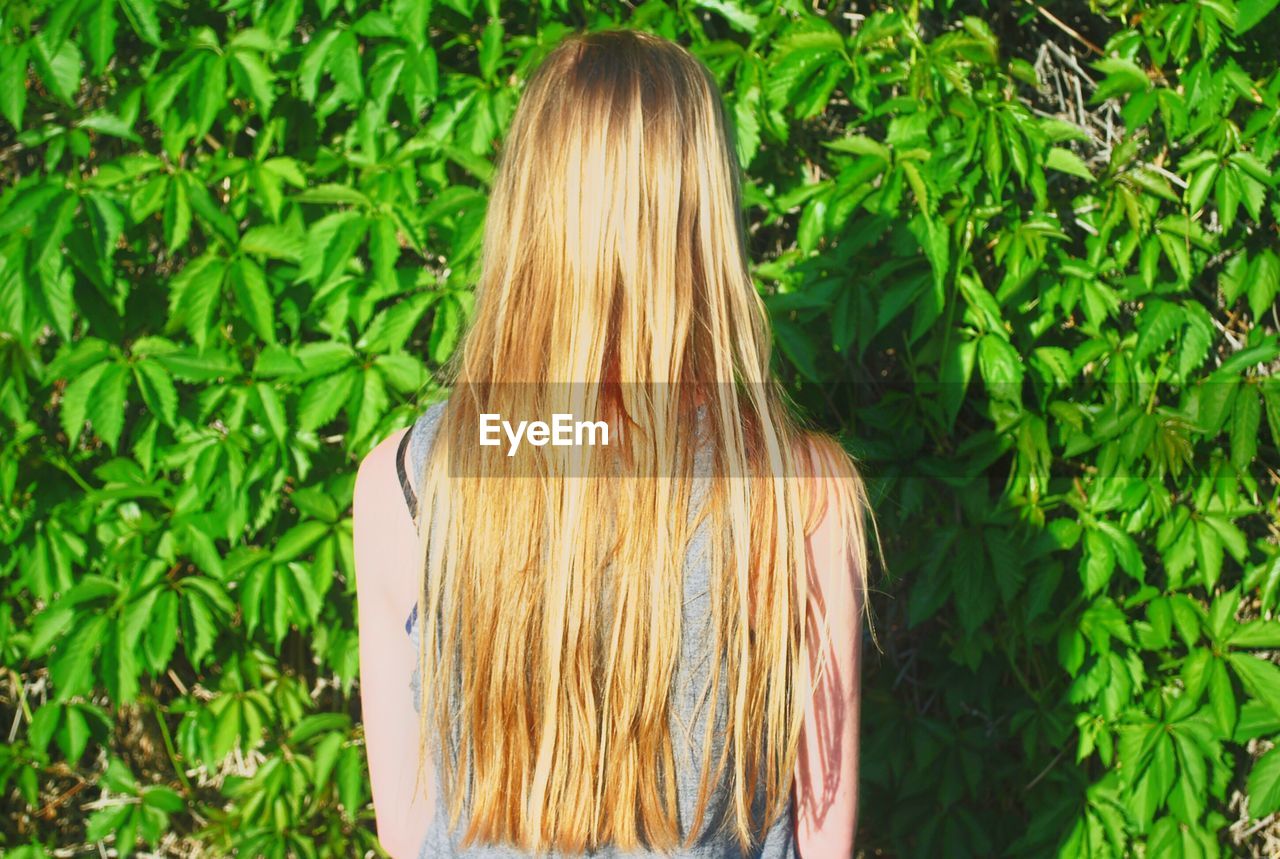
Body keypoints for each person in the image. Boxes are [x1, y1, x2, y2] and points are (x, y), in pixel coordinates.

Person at [353, 28, 872, 859]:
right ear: (705, 215)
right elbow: (822, 836)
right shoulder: (802, 493)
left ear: (526, 206)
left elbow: (409, 829)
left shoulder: (410, 482)